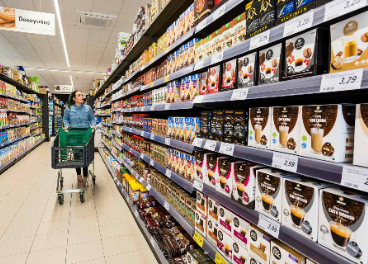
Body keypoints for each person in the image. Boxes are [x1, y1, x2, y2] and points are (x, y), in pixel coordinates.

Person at [63, 91, 96, 183]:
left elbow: (92, 119)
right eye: (79, 95)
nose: (82, 96)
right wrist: (66, 125)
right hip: (74, 135)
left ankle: (85, 175)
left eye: (82, 95)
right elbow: (65, 119)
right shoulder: (68, 108)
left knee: (85, 154)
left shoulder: (88, 108)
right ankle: (78, 174)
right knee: (77, 155)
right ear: (74, 98)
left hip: (86, 134)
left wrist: (93, 125)